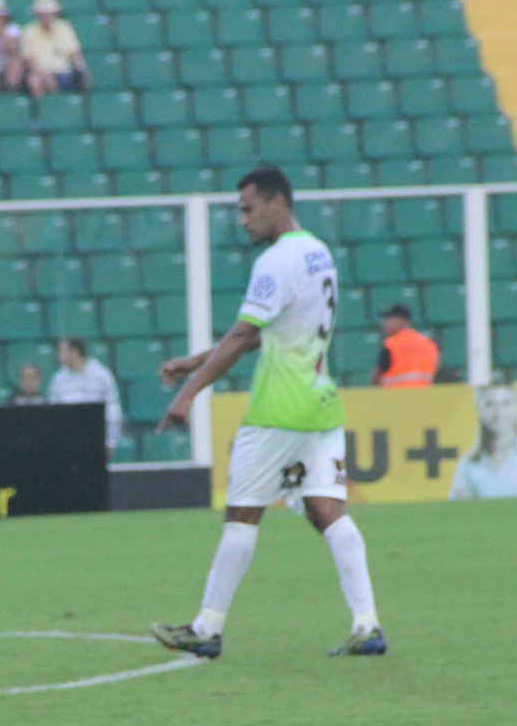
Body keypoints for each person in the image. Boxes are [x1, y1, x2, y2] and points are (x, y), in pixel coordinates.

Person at [151, 165, 384, 659]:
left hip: (279, 408)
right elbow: (260, 331)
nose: (242, 220)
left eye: (248, 209)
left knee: (242, 516)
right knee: (328, 512)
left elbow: (242, 337)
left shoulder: (277, 261)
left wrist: (190, 392)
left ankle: (207, 627)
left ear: (277, 202)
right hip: (320, 404)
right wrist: (194, 361)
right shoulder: (318, 252)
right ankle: (367, 624)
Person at [448, 383, 517, 500]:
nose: (499, 412)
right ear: (479, 408)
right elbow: (457, 508)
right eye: (490, 405)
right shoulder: (468, 463)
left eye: (506, 403)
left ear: (516, 406)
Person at [48, 337, 121, 454]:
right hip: (67, 444)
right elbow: (53, 412)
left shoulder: (102, 375)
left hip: (95, 441)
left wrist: (110, 442)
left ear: (75, 352)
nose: (58, 355)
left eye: (62, 351)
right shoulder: (58, 379)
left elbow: (112, 409)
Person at [20, 0, 86, 99]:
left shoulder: (64, 27)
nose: (46, 17)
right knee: (34, 81)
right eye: (43, 14)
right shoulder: (29, 31)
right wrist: (46, 77)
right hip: (42, 74)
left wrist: (81, 69)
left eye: (49, 13)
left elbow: (74, 53)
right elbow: (30, 62)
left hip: (65, 73)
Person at [372, 302, 436, 387]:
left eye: (388, 319)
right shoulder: (429, 344)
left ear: (400, 320)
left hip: (396, 397)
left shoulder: (392, 345)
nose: (384, 324)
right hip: (424, 397)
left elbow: (376, 378)